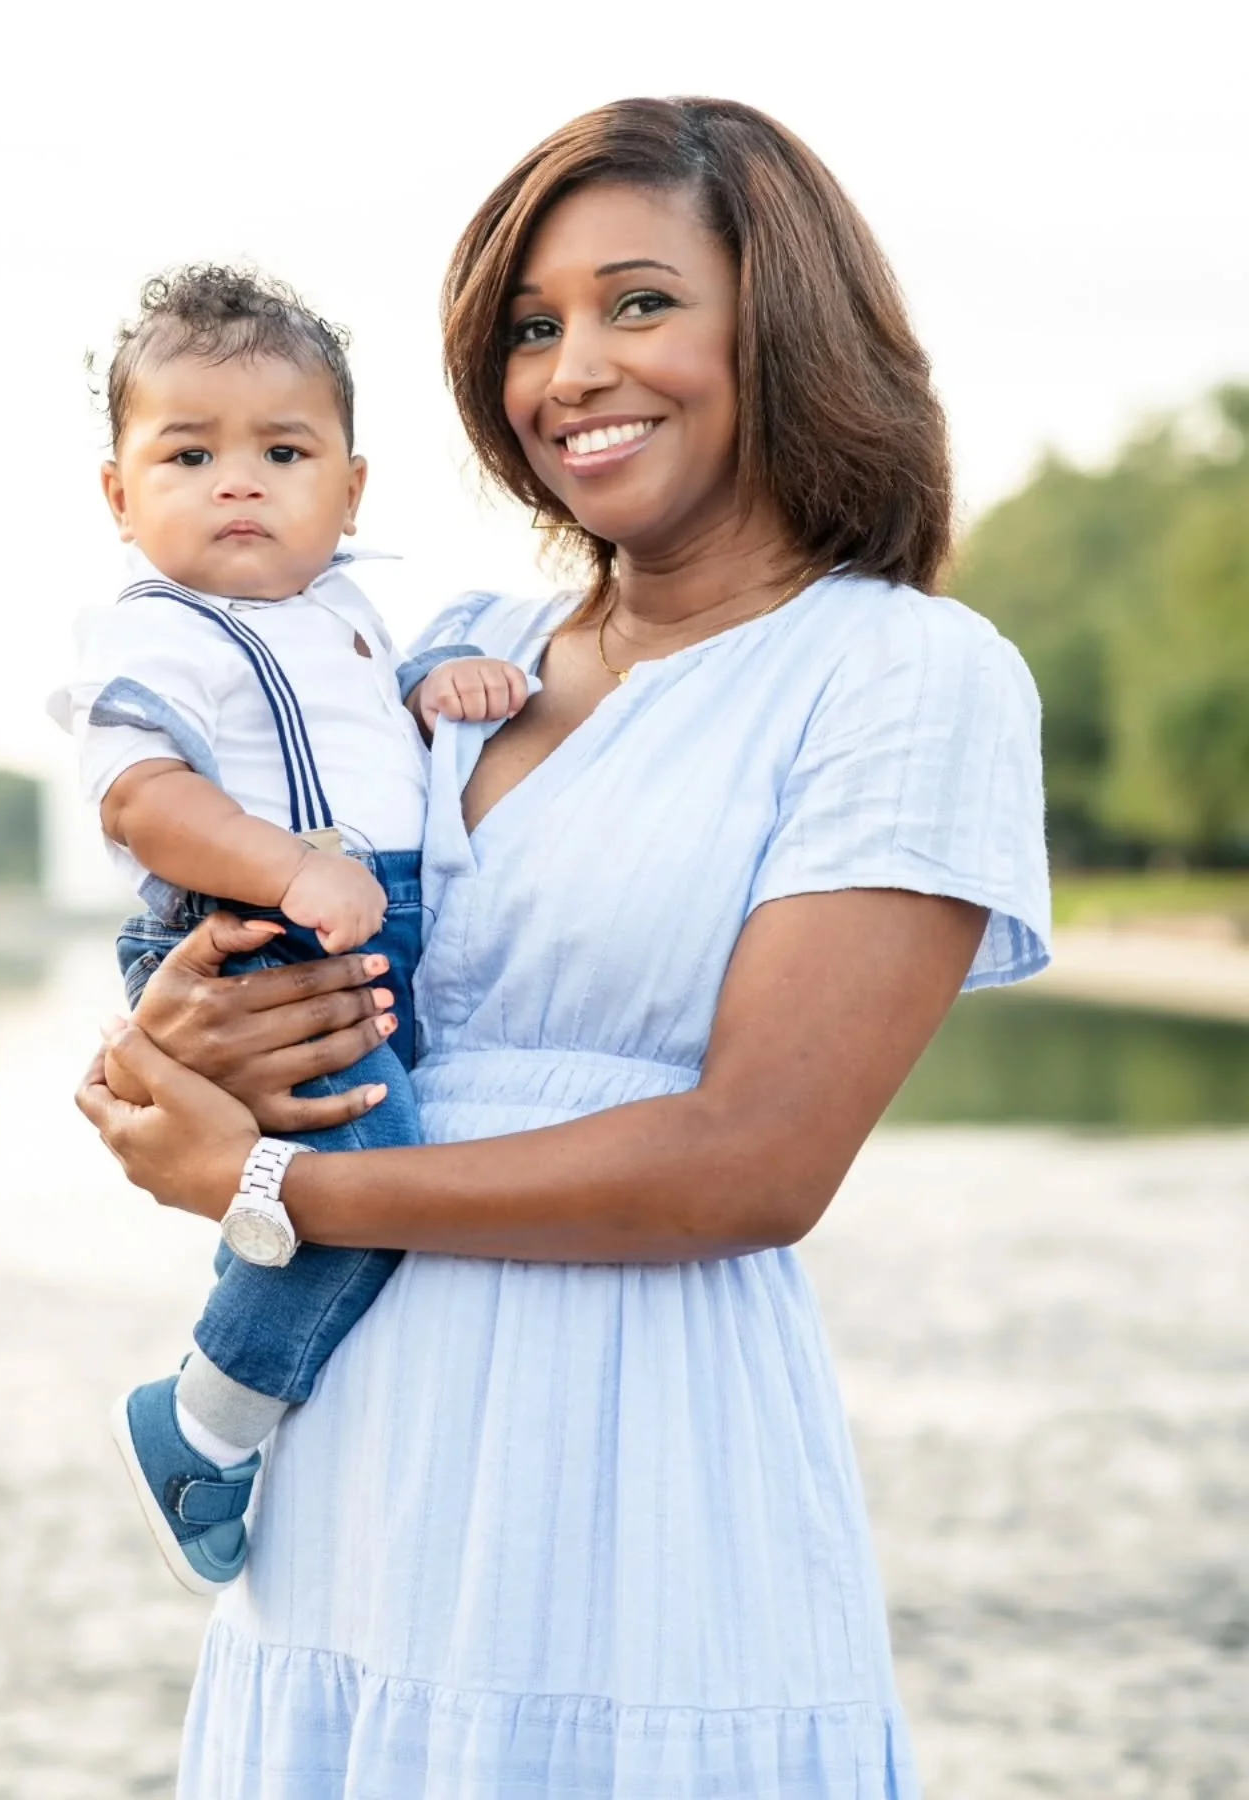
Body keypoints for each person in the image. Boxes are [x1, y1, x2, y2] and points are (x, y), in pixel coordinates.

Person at [78, 97, 1051, 1799]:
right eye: (531, 327)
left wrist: (284, 1198)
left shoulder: (906, 675)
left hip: (640, 1473)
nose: (571, 368)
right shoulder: (445, 649)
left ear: (782, 319)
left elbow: (751, 1161)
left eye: (638, 302)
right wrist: (174, 1045)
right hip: (355, 1491)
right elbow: (251, 965)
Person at [49, 264, 526, 1595]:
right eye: (189, 453)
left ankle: (278, 1368)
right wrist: (281, 871)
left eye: (282, 450)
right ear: (120, 494)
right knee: (362, 1186)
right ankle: (204, 1423)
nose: (238, 482)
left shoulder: (349, 617)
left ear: (352, 489)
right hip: (265, 932)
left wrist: (442, 680)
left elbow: (369, 725)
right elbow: (144, 798)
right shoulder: (152, 631)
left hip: (365, 928)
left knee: (378, 1174)